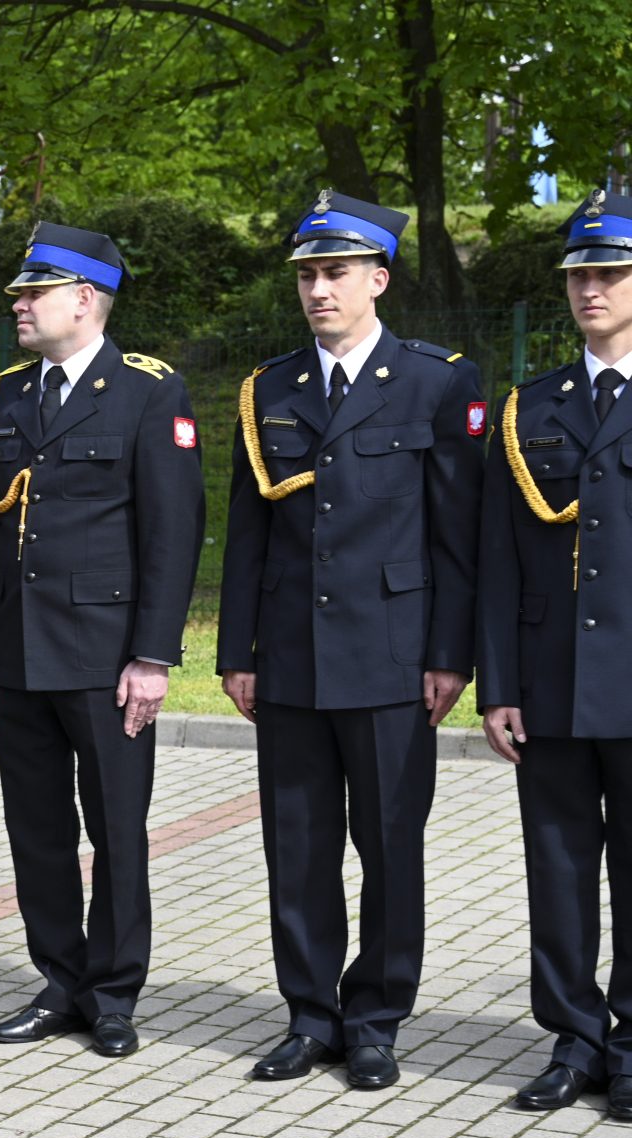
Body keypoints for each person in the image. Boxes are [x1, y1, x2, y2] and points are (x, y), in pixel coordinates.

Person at [219, 193, 483, 1092]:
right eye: (306, 274)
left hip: (391, 653)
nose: (317, 288)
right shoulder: (271, 388)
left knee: (388, 844)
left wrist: (451, 655)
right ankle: (308, 1014)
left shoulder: (439, 382)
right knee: (296, 846)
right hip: (291, 654)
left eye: (334, 272)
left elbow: (457, 534)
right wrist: (237, 651)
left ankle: (374, 1018)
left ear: (379, 278)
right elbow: (249, 531)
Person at [0, 223, 205, 1058]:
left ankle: (114, 991)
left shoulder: (146, 392)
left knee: (117, 829)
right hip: (20, 651)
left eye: (36, 291)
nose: (20, 304)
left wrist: (153, 656)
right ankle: (60, 979)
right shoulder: (10, 396)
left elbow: (173, 533)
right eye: (21, 293)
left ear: (86, 299)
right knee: (36, 829)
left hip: (105, 656)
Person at [480, 190, 632, 1118]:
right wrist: (499, 684)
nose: (590, 289)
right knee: (560, 865)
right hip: (553, 684)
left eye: (609, 272)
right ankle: (574, 1038)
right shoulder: (532, 406)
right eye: (579, 275)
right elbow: (499, 559)